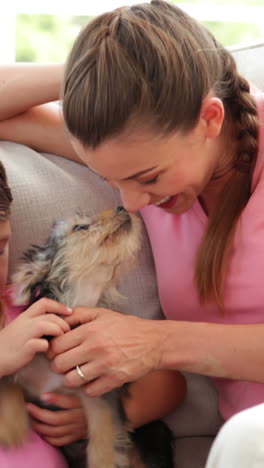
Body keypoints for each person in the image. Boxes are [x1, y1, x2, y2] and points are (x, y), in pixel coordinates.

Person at [1, 0, 264, 465]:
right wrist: (97, 75)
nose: (132, 205)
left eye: (147, 179)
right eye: (115, 181)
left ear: (210, 119)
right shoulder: (142, 150)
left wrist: (155, 343)